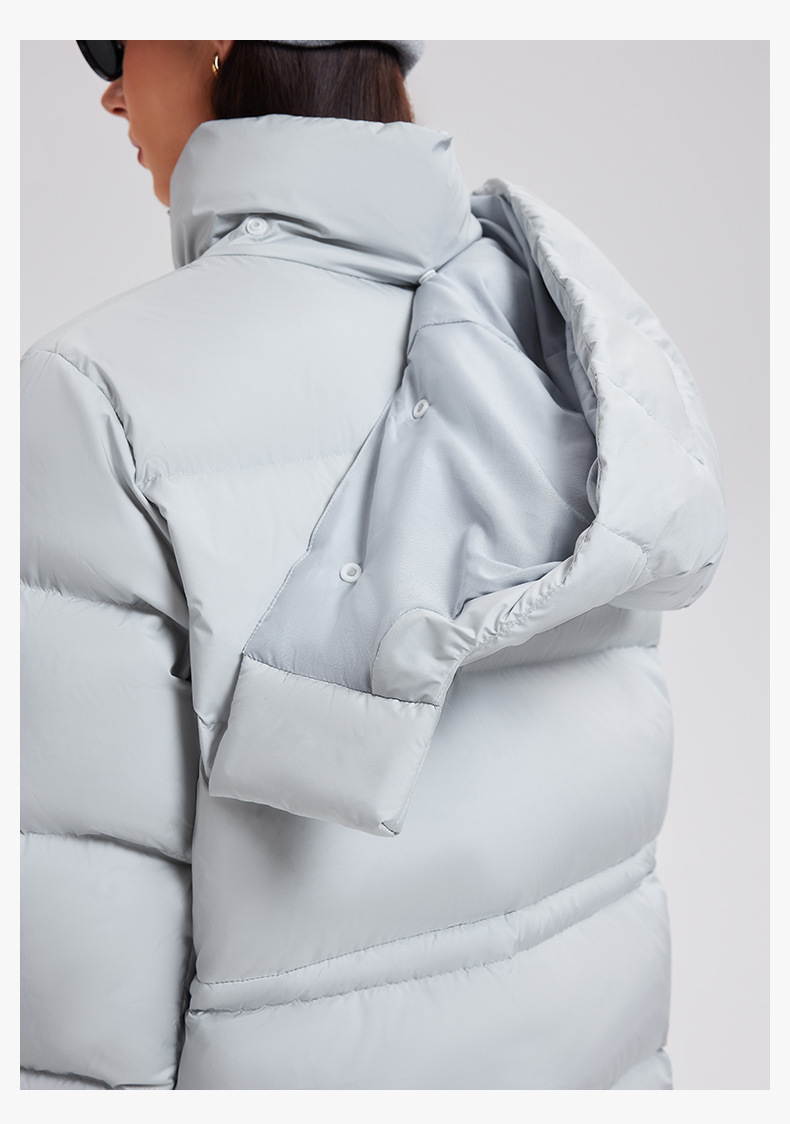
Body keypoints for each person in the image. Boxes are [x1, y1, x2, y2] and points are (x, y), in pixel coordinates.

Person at [20, 40, 727, 1090]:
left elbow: (85, 996)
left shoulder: (89, 395)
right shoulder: (562, 348)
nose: (112, 90)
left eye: (114, 42)